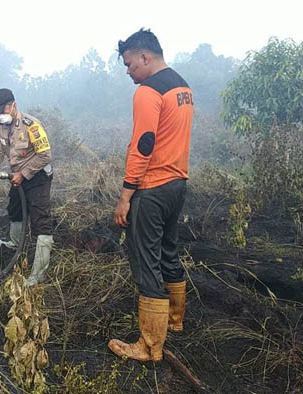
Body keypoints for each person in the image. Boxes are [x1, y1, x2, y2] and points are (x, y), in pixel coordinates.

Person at [108, 28, 194, 363]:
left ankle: (149, 346)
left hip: (152, 187)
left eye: (130, 64)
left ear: (146, 57)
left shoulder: (148, 91)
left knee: (146, 262)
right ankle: (174, 322)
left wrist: (126, 195)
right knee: (169, 252)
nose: (128, 71)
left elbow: (144, 144)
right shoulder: (182, 86)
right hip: (177, 184)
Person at [0, 88, 54, 286]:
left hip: (38, 176)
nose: (0, 115)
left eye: (2, 110)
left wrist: (23, 174)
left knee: (41, 220)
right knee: (14, 209)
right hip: (18, 177)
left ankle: (38, 274)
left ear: (13, 105)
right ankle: (15, 244)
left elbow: (45, 155)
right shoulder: (1, 127)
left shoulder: (31, 125)